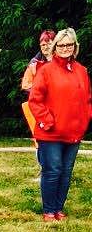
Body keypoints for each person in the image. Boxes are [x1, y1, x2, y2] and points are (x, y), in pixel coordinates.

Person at [28, 27, 91, 222]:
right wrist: (47, 121)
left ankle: (58, 208)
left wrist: (84, 121)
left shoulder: (81, 71)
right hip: (51, 133)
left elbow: (87, 101)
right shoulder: (46, 70)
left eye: (69, 45)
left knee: (66, 172)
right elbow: (34, 100)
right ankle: (49, 210)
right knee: (53, 170)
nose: (65, 48)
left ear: (74, 46)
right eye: (61, 45)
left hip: (74, 132)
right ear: (55, 47)